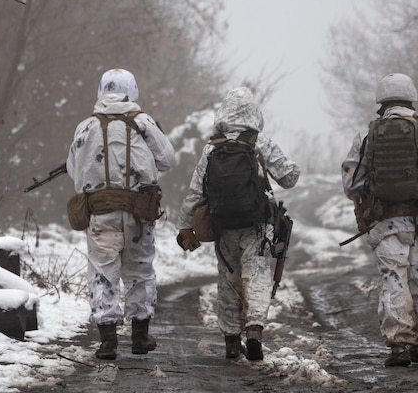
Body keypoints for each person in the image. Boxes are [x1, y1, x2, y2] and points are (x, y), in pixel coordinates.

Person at [176, 86, 300, 361]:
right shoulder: (259, 142)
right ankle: (254, 328)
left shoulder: (212, 148)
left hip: (223, 225)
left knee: (228, 279)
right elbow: (290, 178)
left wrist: (185, 226)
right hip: (256, 223)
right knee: (256, 273)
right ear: (253, 112)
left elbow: (195, 192)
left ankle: (232, 340)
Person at [341, 73, 418, 367]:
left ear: (382, 101)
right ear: (411, 98)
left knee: (394, 280)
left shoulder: (368, 135)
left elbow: (351, 184)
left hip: (385, 224)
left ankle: (400, 345)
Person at [66, 68, 175, 360]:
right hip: (139, 214)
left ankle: (107, 341)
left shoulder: (85, 127)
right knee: (140, 272)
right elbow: (166, 161)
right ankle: (140, 337)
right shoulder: (143, 123)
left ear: (101, 90)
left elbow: (72, 169)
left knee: (103, 273)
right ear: (133, 90)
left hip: (100, 214)